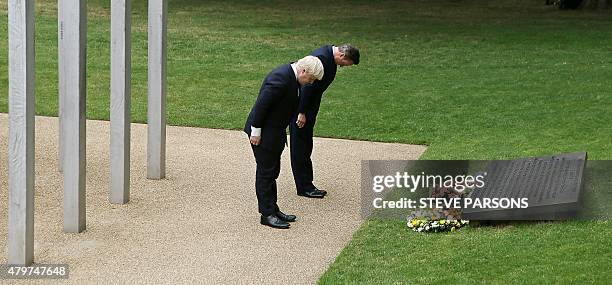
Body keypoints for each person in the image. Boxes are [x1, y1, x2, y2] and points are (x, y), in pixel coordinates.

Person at [244, 56, 324, 229]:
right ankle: (267, 214)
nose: (309, 83)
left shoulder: (292, 77)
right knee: (266, 173)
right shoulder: (280, 79)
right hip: (263, 133)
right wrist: (256, 131)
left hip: (275, 132)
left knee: (273, 171)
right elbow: (261, 106)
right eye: (310, 79)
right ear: (304, 71)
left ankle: (273, 208)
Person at [290, 44, 360, 198]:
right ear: (342, 56)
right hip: (302, 110)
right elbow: (307, 87)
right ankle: (304, 187)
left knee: (305, 145)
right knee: (301, 146)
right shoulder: (321, 59)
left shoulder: (329, 57)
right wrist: (301, 112)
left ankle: (306, 184)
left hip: (308, 109)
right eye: (346, 64)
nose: (344, 67)